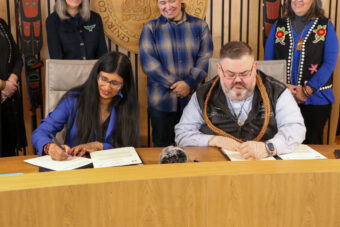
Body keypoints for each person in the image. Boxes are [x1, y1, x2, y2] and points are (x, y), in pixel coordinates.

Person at [175, 41, 306, 160]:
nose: (238, 80)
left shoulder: (278, 91)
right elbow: (182, 134)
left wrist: (268, 148)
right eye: (230, 74)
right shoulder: (202, 94)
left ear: (254, 68)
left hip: (265, 167)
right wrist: (213, 140)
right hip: (217, 168)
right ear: (219, 70)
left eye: (244, 74)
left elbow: (296, 129)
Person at [32, 52, 139, 160]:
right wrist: (49, 147)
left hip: (112, 169)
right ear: (96, 76)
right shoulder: (73, 99)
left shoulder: (128, 105)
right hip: (76, 167)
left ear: (124, 84)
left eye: (115, 83)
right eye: (104, 79)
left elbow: (129, 146)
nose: (107, 88)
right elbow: (40, 132)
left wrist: (99, 146)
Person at [139, 0, 213, 147]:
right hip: (161, 101)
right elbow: (149, 63)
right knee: (162, 147)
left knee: (194, 147)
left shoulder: (200, 26)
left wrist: (189, 84)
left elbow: (205, 59)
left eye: (171, 1)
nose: (167, 7)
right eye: (162, 2)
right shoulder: (150, 28)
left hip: (193, 100)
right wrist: (178, 85)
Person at [264, 0, 339, 144]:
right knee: (283, 147)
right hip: (283, 99)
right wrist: (283, 87)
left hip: (316, 100)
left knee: (312, 148)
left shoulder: (326, 25)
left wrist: (307, 90)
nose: (298, 1)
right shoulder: (278, 25)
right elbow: (269, 63)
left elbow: (329, 63)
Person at [0, 18, 27, 157]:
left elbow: (17, 56)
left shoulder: (1, 23)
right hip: (5, 91)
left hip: (8, 101)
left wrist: (12, 80)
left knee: (9, 157)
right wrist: (3, 85)